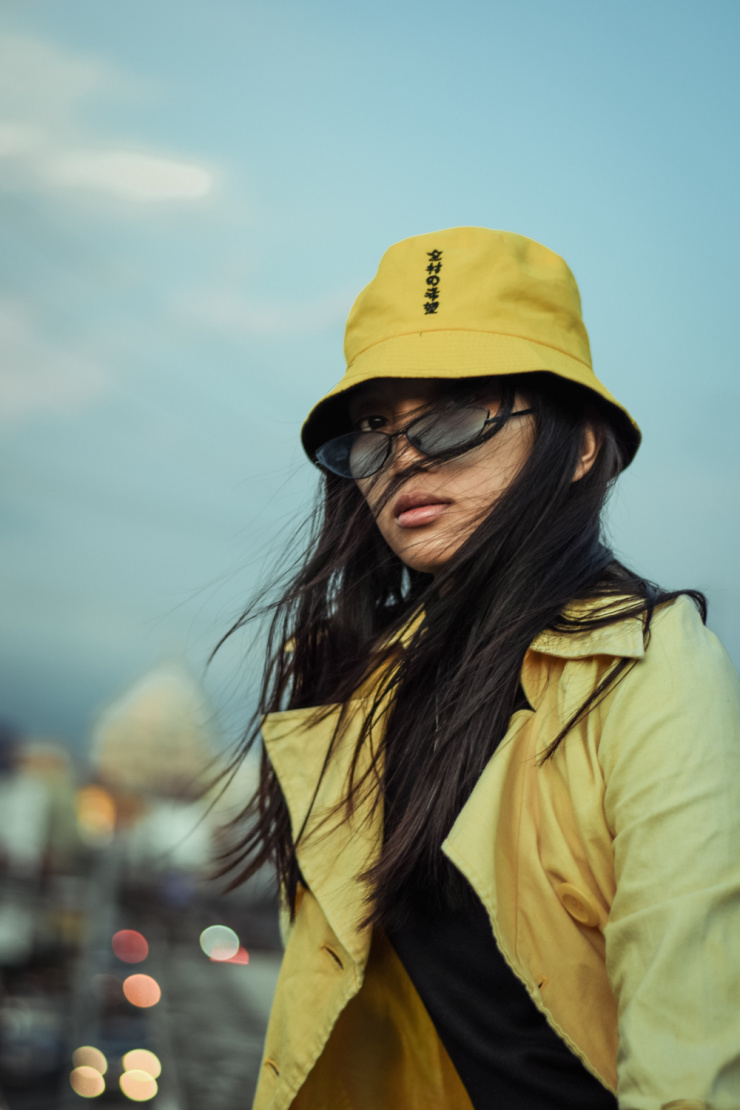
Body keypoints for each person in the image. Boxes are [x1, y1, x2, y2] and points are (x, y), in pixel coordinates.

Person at [217, 227, 740, 1110]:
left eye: (459, 411)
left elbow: (689, 1029)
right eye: (374, 429)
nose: (403, 458)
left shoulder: (648, 659)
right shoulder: (350, 688)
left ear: (577, 448)